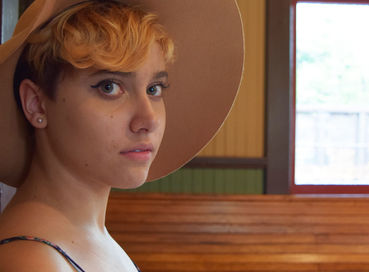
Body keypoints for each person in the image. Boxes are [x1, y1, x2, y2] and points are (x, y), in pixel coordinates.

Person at [0, 0, 243, 271]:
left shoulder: (89, 236)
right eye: (109, 86)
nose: (149, 120)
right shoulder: (31, 261)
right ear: (36, 104)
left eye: (154, 89)